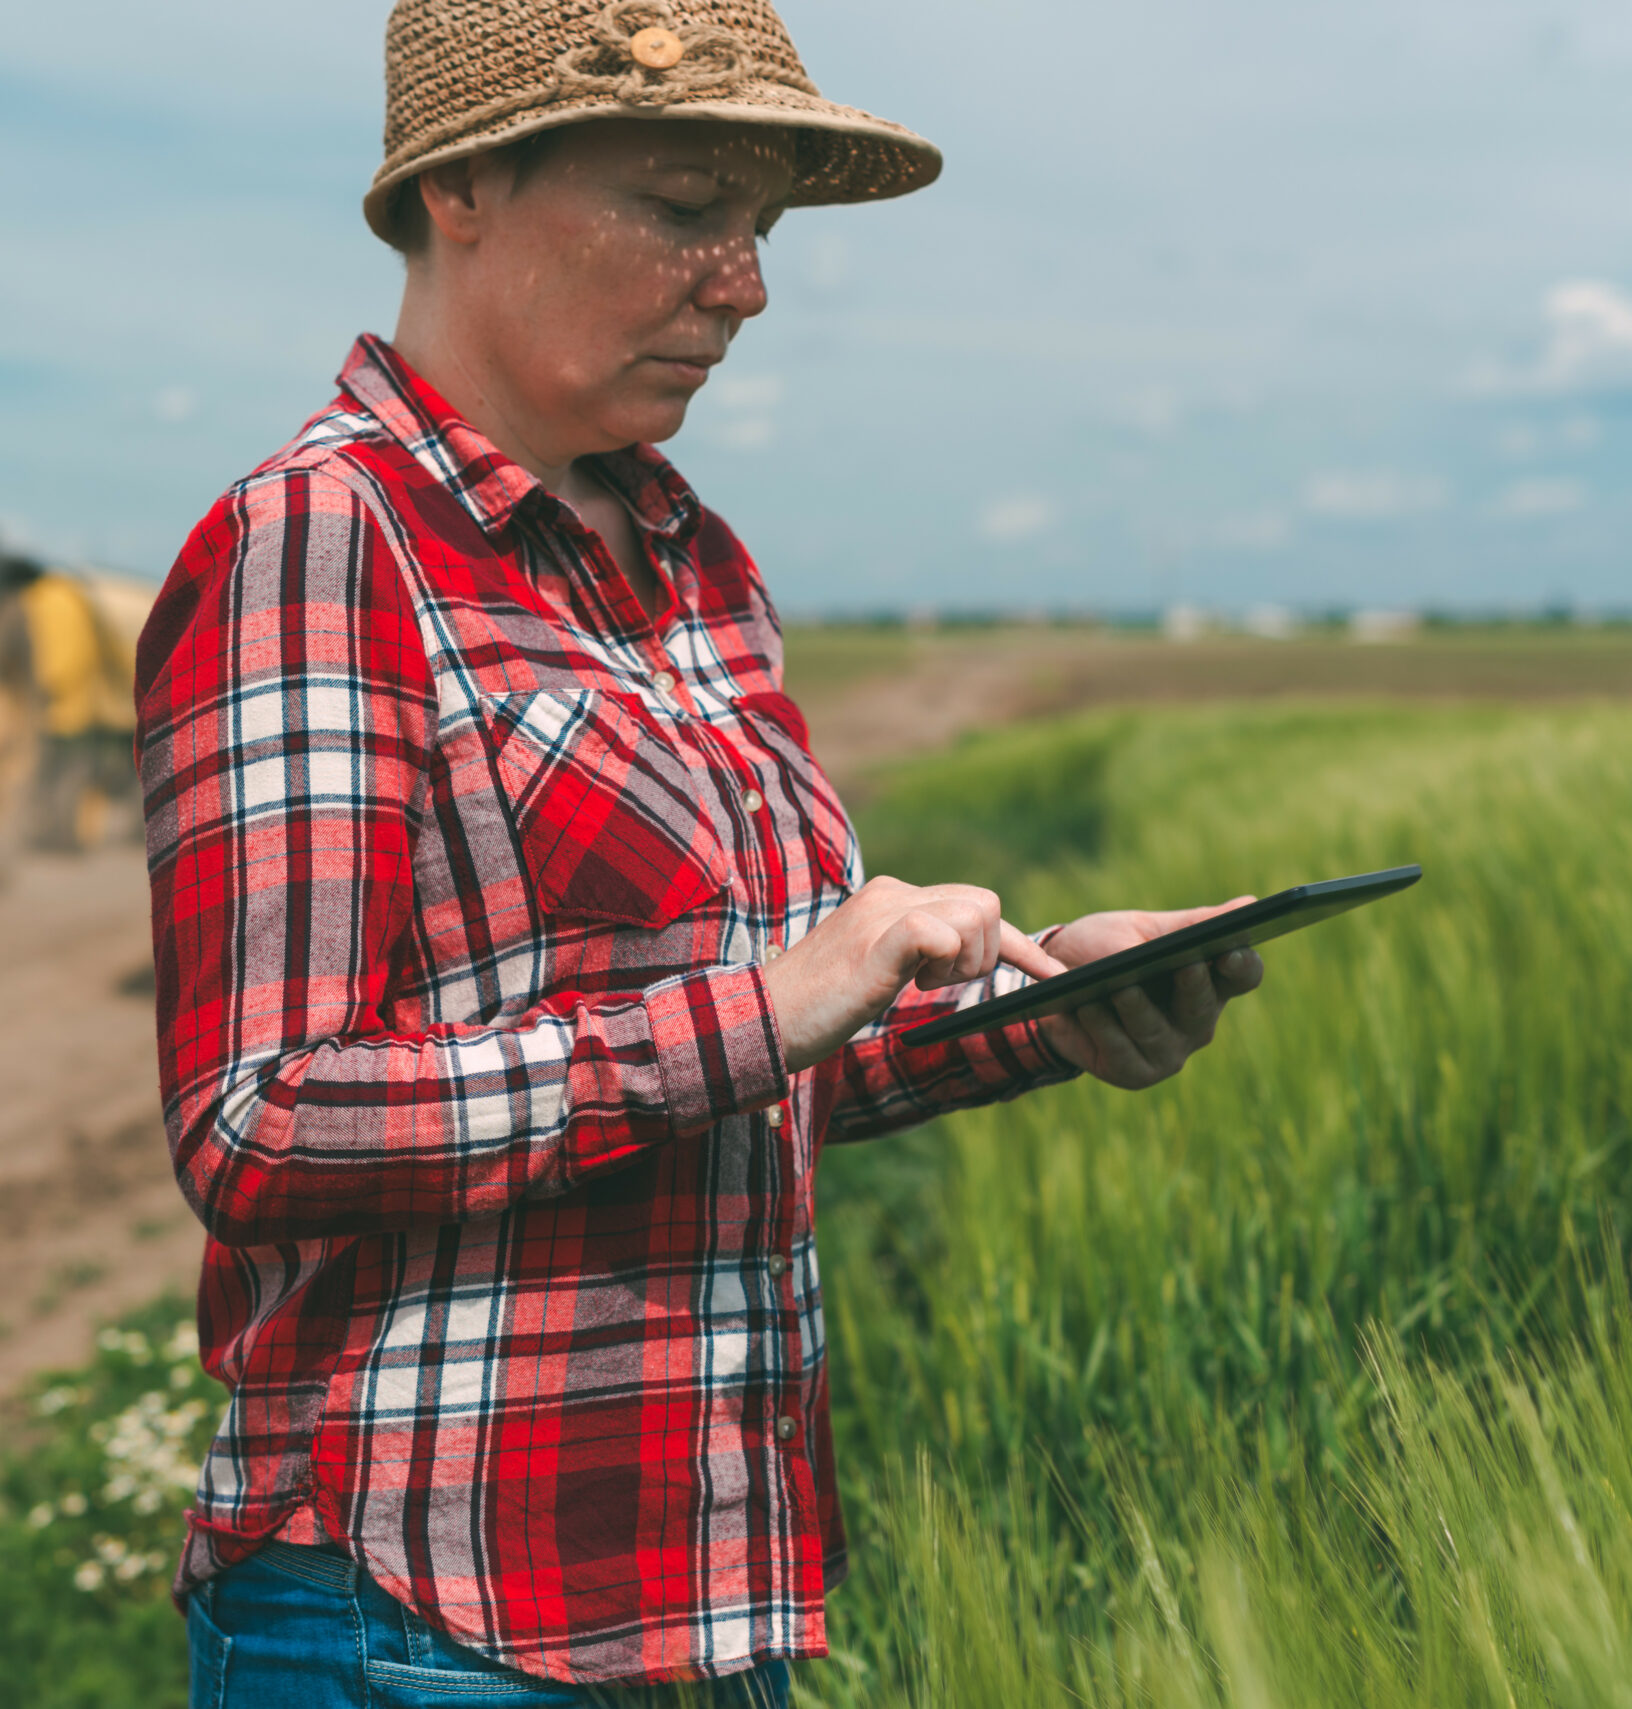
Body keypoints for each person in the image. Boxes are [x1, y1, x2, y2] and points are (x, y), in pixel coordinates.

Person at [134, 3, 1263, 1703]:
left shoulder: (695, 563)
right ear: (463, 188)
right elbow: (260, 1119)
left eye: (761, 229)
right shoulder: (320, 541)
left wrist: (1049, 1011)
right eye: (681, 206)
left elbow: (764, 1058)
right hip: (418, 1616)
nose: (743, 283)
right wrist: (760, 1012)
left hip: (706, 1595)